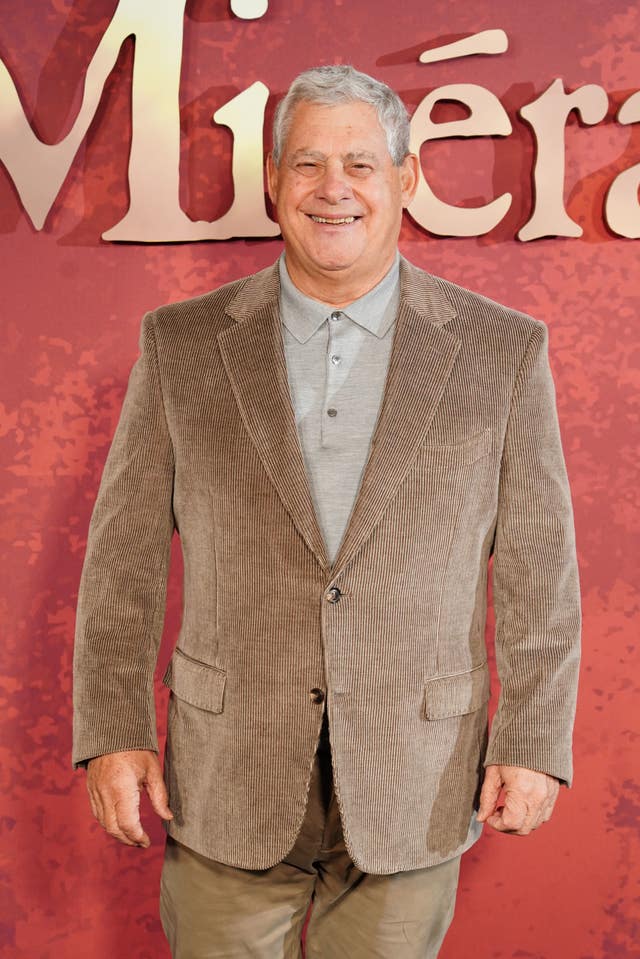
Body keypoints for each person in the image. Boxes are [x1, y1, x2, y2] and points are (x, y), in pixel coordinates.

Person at [72, 64, 582, 958]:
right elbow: (123, 562)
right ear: (271, 183)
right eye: (307, 164)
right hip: (228, 772)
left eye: (360, 163)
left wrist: (534, 739)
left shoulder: (502, 351)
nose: (333, 188)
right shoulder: (181, 344)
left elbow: (541, 564)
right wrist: (113, 731)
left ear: (407, 178)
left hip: (415, 774)